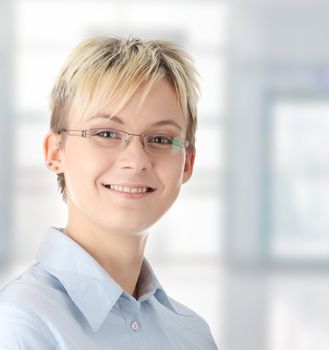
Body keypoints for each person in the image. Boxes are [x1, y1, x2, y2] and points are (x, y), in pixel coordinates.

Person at [0, 36, 218, 349]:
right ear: (55, 152)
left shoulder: (193, 334)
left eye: (160, 139)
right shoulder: (21, 322)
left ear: (187, 164)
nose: (136, 161)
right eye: (106, 133)